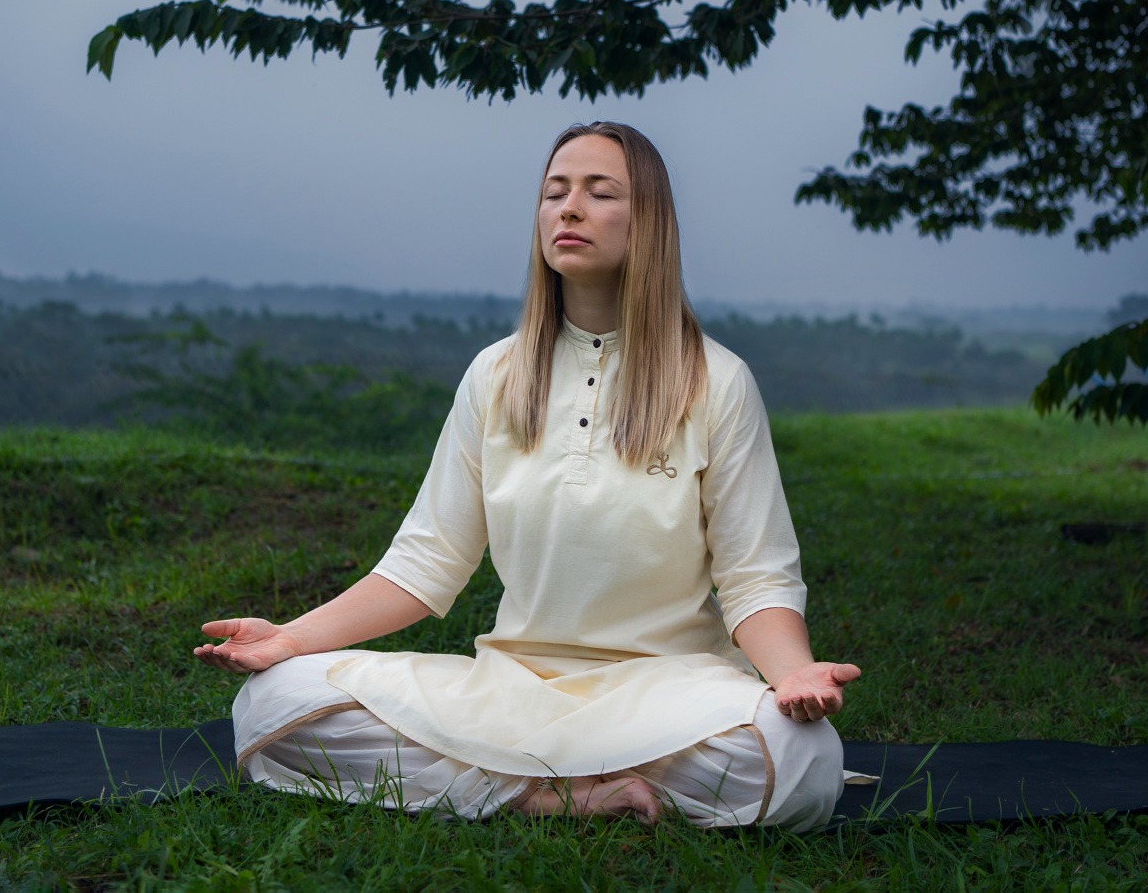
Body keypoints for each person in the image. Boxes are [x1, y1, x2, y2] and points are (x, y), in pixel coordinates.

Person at [194, 122, 862, 828]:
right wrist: (291, 639)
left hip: (668, 690)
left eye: (599, 193)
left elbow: (756, 578)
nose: (567, 209)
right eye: (554, 192)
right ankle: (543, 795)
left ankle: (524, 777)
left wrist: (792, 676)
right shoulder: (497, 374)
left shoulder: (717, 382)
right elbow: (427, 562)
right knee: (272, 700)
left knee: (803, 757)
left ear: (650, 223)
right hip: (512, 686)